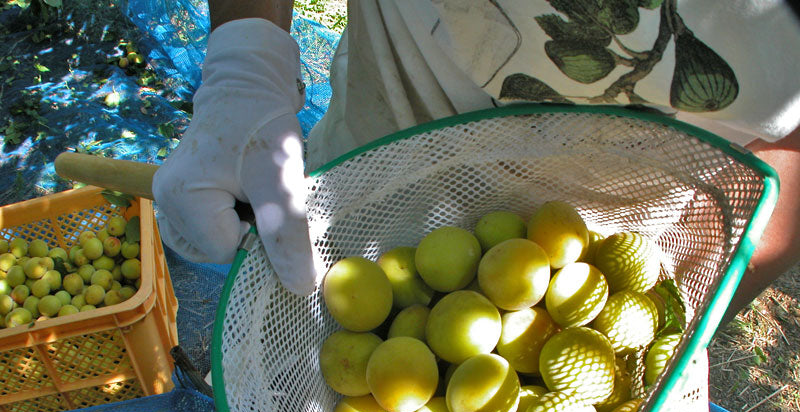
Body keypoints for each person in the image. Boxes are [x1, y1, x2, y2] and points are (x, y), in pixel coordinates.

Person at [152, 0, 800, 326]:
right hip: (403, 77)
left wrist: (704, 304)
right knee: (305, 312)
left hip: (611, 202)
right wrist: (247, 55)